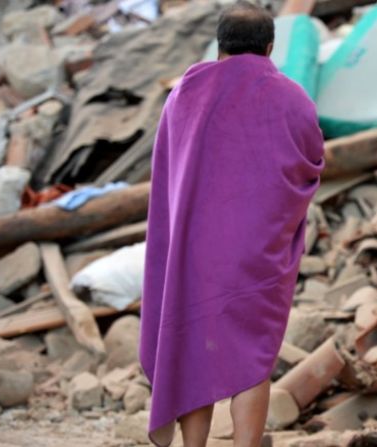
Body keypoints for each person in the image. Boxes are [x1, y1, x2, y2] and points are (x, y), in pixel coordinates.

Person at [138, 2, 325, 446]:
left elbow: (167, 168)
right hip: (256, 255)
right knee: (252, 355)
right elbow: (311, 161)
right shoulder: (290, 95)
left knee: (192, 348)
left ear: (219, 46)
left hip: (193, 250)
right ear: (269, 46)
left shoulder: (184, 92)